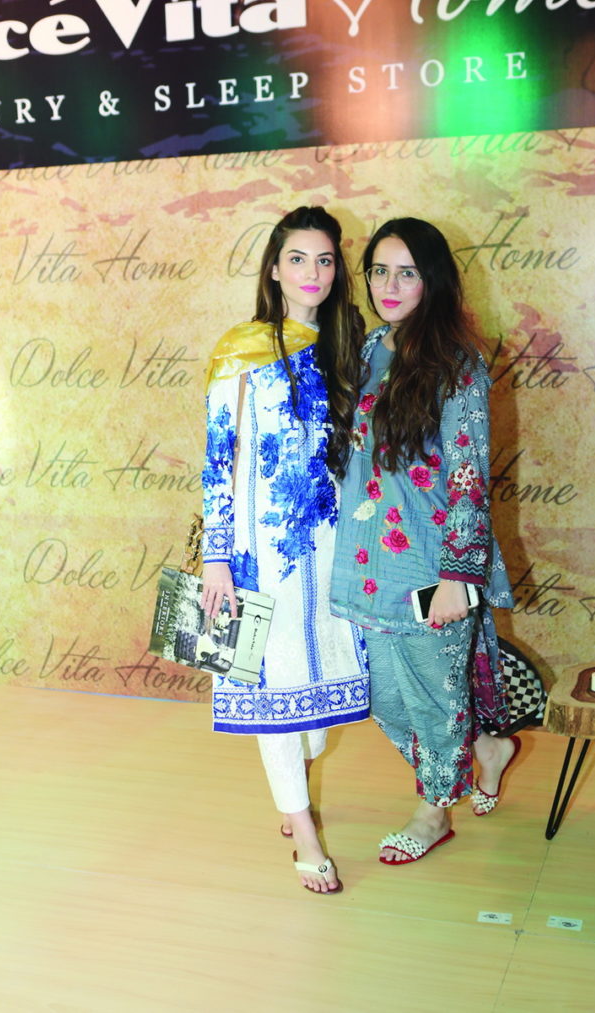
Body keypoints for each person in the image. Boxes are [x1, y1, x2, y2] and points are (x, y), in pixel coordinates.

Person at [329, 217, 519, 865]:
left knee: (434, 701)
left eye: (406, 272)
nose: (389, 285)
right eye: (379, 271)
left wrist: (458, 577)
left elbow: (468, 477)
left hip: (429, 566)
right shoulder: (366, 349)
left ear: (431, 280)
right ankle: (486, 749)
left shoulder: (457, 364)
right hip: (366, 564)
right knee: (383, 697)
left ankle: (432, 811)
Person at [201, 206, 369, 893]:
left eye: (324, 260)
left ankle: (293, 785)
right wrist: (216, 556)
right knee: (274, 688)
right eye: (298, 259)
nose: (312, 273)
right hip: (257, 552)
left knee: (317, 713)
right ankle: (302, 830)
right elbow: (218, 457)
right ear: (273, 269)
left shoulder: (346, 346)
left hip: (329, 547)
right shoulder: (241, 349)